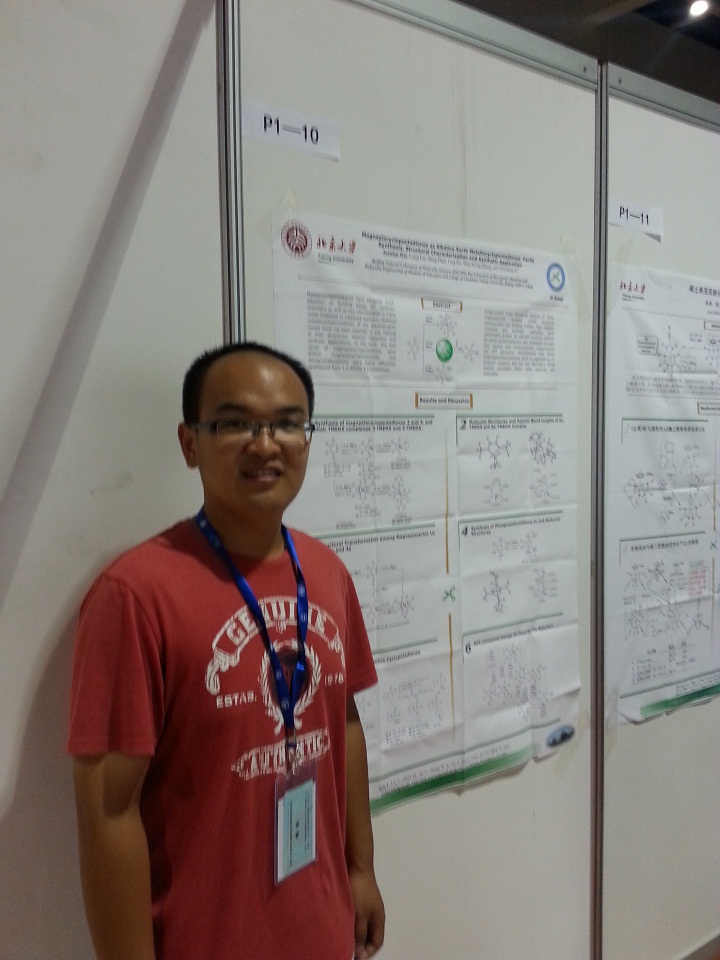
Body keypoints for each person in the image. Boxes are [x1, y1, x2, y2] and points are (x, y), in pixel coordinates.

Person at [67, 341, 385, 960]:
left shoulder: (326, 572)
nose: (266, 445)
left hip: (322, 928)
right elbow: (107, 811)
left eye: (288, 423)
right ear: (190, 443)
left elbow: (343, 722)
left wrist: (360, 868)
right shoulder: (134, 595)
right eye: (235, 423)